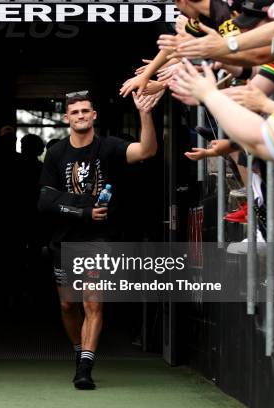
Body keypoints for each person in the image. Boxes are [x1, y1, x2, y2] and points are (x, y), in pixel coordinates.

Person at [37, 90, 162, 390]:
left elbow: (146, 151)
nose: (80, 115)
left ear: (94, 115)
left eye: (85, 111)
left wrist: (145, 113)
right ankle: (79, 351)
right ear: (67, 118)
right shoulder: (55, 153)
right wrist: (83, 211)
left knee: (92, 301)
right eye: (75, 112)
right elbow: (45, 200)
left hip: (99, 240)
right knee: (69, 305)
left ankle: (85, 368)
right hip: (64, 239)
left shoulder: (109, 147)